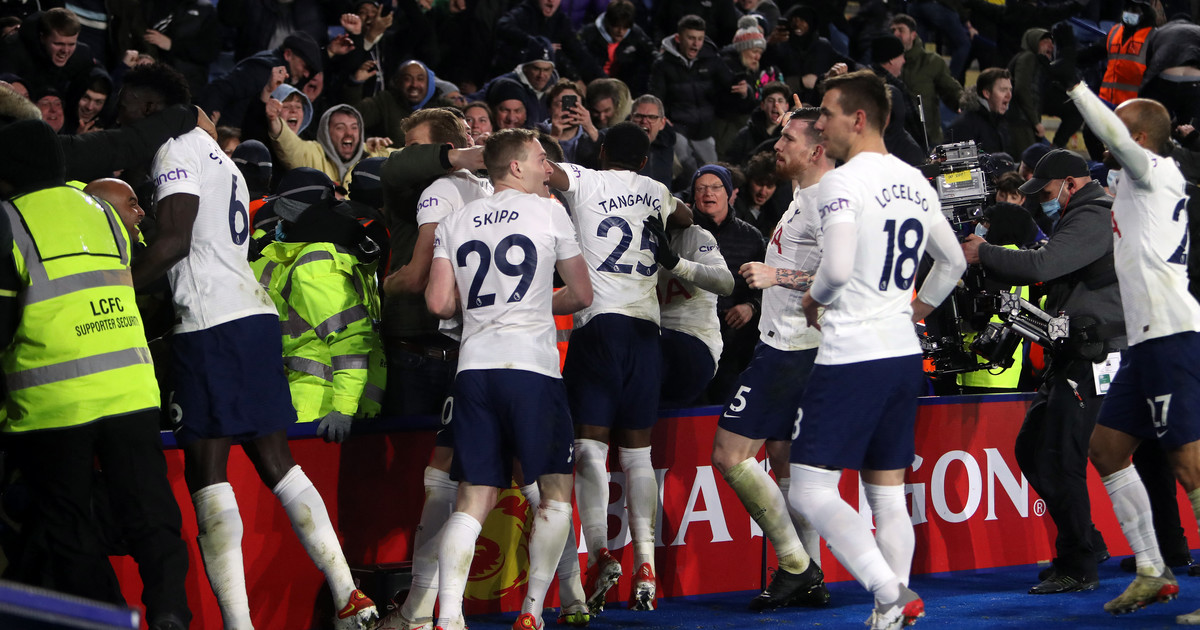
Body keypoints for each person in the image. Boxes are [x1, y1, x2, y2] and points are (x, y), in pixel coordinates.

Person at [120, 63, 377, 630]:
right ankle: (348, 592)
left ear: (150, 106)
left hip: (211, 322)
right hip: (252, 316)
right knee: (275, 460)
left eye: (130, 106)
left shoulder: (175, 151)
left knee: (206, 469)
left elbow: (171, 239)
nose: (125, 116)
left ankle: (239, 624)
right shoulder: (222, 159)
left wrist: (113, 289)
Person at [791, 69, 966, 629]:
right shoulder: (916, 179)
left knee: (809, 489)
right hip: (901, 352)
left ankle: (888, 591)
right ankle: (890, 616)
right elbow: (955, 261)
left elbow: (837, 269)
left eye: (826, 112)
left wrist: (813, 302)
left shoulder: (842, 182)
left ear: (858, 119)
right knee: (887, 492)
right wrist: (916, 310)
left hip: (853, 355)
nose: (819, 123)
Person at [0, 121, 189, 630]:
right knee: (150, 512)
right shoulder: (104, 213)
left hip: (51, 404)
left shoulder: (7, 220)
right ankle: (171, 611)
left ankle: (104, 621)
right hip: (128, 389)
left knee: (69, 527)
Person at [425, 127, 594, 630]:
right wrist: (536, 302)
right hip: (532, 371)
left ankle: (448, 615)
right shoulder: (549, 211)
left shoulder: (454, 220)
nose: (549, 168)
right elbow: (582, 294)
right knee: (555, 492)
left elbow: (437, 303)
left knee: (474, 495)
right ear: (516, 166)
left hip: (474, 370)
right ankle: (533, 611)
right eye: (541, 158)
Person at [1051, 59, 1200, 622]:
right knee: (1108, 450)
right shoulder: (1133, 179)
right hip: (1144, 343)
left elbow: (1114, 135)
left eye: (1119, 128)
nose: (1108, 137)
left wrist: (1074, 87)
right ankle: (1151, 571)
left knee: (1190, 468)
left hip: (1171, 335)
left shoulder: (1155, 171)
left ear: (1137, 139)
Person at [962, 148, 1121, 594]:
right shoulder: (1079, 216)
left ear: (1071, 184)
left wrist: (985, 253)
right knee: (1033, 449)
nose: (1042, 201)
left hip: (1093, 356)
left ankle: (1080, 564)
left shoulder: (1095, 214)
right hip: (1070, 354)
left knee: (1062, 457)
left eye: (1047, 192)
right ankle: (1085, 541)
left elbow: (1044, 266)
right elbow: (1050, 261)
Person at [547, 122, 688, 613]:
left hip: (599, 330)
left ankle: (601, 550)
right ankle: (646, 567)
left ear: (601, 151)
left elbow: (546, 170)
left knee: (589, 445)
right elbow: (686, 214)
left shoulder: (586, 180)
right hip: (647, 334)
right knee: (638, 454)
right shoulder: (657, 191)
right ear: (645, 162)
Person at [715, 106, 831, 611]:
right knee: (786, 465)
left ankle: (796, 565)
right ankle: (809, 578)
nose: (777, 146)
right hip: (786, 343)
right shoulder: (804, 192)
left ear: (816, 149)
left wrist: (776, 277)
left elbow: (843, 277)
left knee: (729, 455)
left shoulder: (828, 200)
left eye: (787, 138)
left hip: (790, 350)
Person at [690, 164, 767, 405]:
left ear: (729, 192)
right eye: (701, 188)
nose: (708, 193)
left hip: (735, 345)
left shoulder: (751, 236)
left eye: (715, 187)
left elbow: (768, 288)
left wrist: (751, 307)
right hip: (690, 340)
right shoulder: (678, 233)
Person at [650, 15, 741, 176]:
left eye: (699, 39)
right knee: (686, 166)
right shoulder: (662, 64)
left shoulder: (712, 59)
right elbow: (656, 97)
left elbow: (731, 84)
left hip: (705, 128)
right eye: (691, 38)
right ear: (678, 38)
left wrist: (744, 90)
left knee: (714, 172)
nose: (696, 43)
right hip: (678, 127)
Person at [891, 13, 963, 148]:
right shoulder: (885, 63)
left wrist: (963, 103)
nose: (896, 34)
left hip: (928, 138)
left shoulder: (932, 61)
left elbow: (950, 89)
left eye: (901, 30)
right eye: (892, 30)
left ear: (913, 35)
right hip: (896, 139)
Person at [0, 8, 96, 98]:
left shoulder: (82, 54)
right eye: (58, 43)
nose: (65, 50)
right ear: (43, 38)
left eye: (71, 44)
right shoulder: (12, 49)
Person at [948, 67, 1012, 155]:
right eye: (1003, 90)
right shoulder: (965, 125)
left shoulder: (1000, 121)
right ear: (987, 93)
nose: (1009, 95)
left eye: (1010, 90)